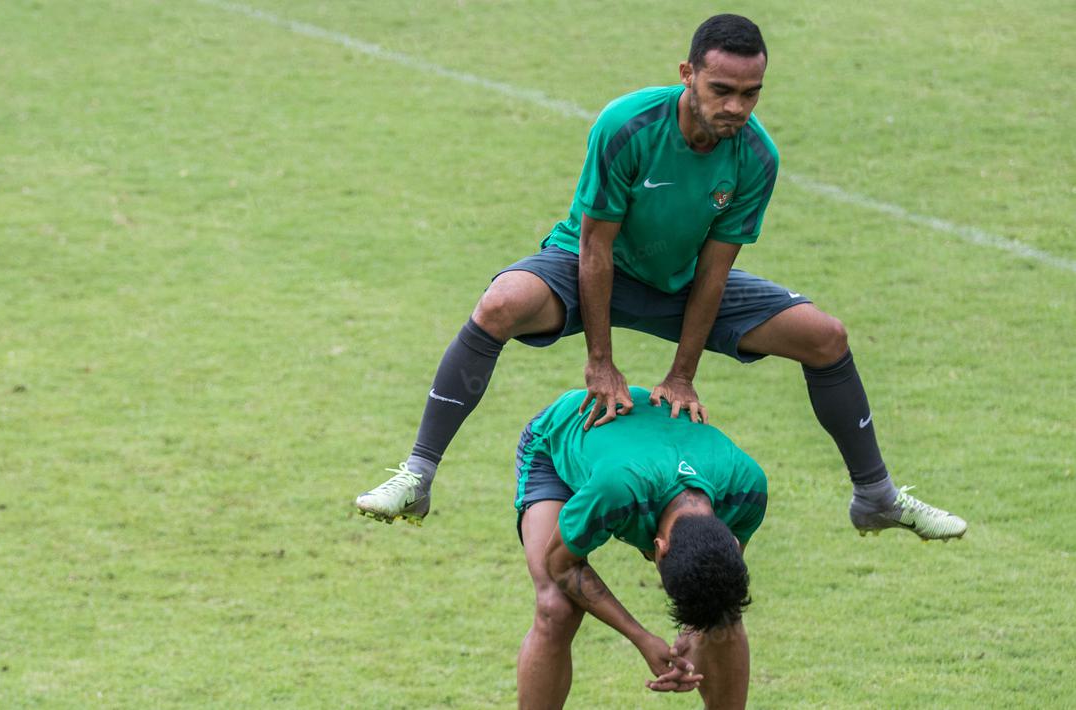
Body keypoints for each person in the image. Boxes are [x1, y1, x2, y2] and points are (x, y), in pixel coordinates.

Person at [356, 14, 966, 541]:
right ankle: (417, 476)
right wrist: (601, 361)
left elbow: (715, 270)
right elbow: (595, 249)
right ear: (687, 74)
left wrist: (682, 374)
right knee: (500, 305)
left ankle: (877, 499)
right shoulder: (627, 125)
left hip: (679, 281)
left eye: (750, 94)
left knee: (825, 337)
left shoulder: (756, 157)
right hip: (593, 266)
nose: (735, 107)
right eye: (721, 89)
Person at [515, 387, 761, 708]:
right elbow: (562, 565)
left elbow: (722, 574)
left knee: (721, 611)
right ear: (656, 548)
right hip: (560, 440)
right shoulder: (617, 489)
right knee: (556, 607)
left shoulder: (747, 487)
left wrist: (692, 633)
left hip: (642, 452)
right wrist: (641, 637)